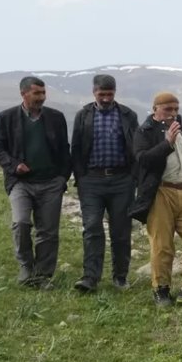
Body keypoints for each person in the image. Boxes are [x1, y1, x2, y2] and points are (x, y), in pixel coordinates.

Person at [128, 92, 182, 306]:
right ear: (155, 108)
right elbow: (143, 160)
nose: (173, 113)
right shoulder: (144, 131)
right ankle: (161, 289)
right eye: (168, 109)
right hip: (161, 193)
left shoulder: (180, 129)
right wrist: (167, 143)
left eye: (176, 109)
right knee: (162, 245)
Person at [0, 75, 72, 289]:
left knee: (48, 231)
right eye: (37, 93)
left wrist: (62, 178)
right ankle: (26, 267)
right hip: (20, 182)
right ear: (23, 93)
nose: (41, 97)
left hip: (51, 182)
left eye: (43, 93)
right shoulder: (5, 118)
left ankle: (42, 276)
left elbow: (65, 149)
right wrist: (14, 165)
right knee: (21, 223)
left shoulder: (56, 118)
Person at [70, 74, 139, 293]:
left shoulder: (128, 115)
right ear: (94, 92)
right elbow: (77, 148)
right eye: (102, 94)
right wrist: (80, 177)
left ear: (115, 93)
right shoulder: (83, 115)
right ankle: (90, 277)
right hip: (91, 181)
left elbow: (136, 148)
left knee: (121, 230)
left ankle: (120, 277)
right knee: (92, 228)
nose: (107, 98)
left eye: (110, 94)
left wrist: (133, 178)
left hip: (122, 181)